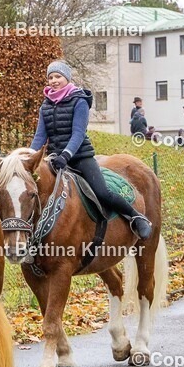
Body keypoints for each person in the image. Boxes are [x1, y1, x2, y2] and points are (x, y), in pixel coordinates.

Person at [30, 60, 153, 239]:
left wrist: (66, 154)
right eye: (50, 77)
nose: (54, 80)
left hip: (79, 156)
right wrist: (27, 158)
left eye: (58, 76)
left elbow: (78, 133)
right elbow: (40, 137)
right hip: (55, 159)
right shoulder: (46, 105)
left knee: (101, 192)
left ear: (67, 78)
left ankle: (136, 217)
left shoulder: (79, 100)